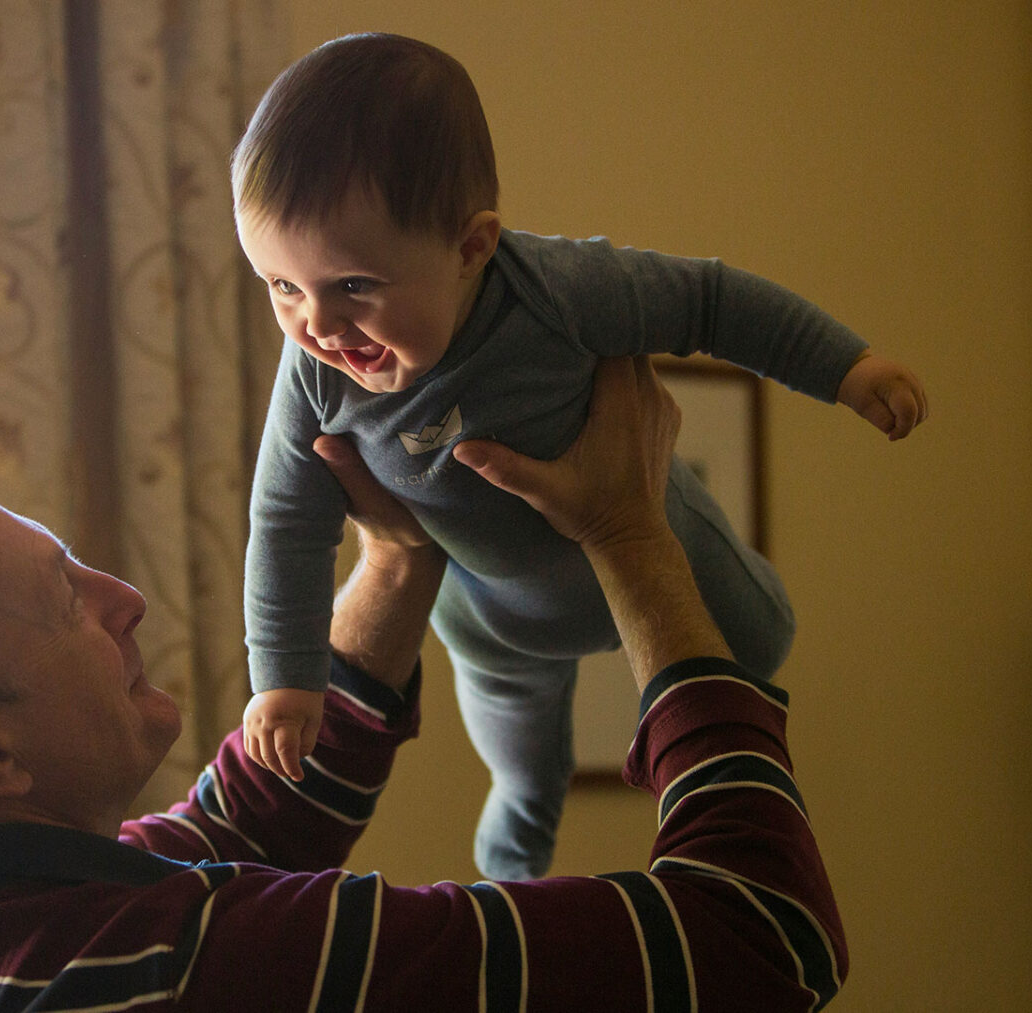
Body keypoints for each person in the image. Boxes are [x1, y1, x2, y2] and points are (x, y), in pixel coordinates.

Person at [0, 357, 846, 1012]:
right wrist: (631, 534)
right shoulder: (185, 963)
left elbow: (250, 819)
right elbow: (759, 939)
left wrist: (396, 560)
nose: (122, 595)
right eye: (63, 598)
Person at [235, 32, 928, 879]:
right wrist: (285, 678)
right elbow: (285, 522)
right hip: (494, 621)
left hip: (653, 532)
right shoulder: (313, 375)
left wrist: (847, 368)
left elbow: (710, 301)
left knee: (764, 639)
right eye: (281, 286)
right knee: (526, 772)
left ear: (470, 248)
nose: (318, 325)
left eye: (353, 286)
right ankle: (512, 878)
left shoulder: (558, 290)